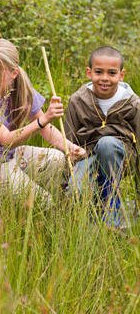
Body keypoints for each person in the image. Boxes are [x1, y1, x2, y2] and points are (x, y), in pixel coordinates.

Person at [0, 38, 85, 202]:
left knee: (57, 160)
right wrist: (43, 120)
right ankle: (42, 204)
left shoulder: (20, 89)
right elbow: (6, 140)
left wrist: (69, 147)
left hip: (12, 156)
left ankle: (62, 203)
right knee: (44, 201)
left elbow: (46, 127)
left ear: (13, 74)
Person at [65, 46, 140, 227]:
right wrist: (68, 173)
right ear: (89, 72)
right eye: (99, 72)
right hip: (86, 153)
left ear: (121, 75)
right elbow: (67, 140)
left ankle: (111, 201)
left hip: (123, 157)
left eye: (111, 73)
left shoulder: (133, 103)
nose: (105, 78)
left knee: (107, 144)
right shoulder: (78, 100)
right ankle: (95, 213)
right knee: (76, 191)